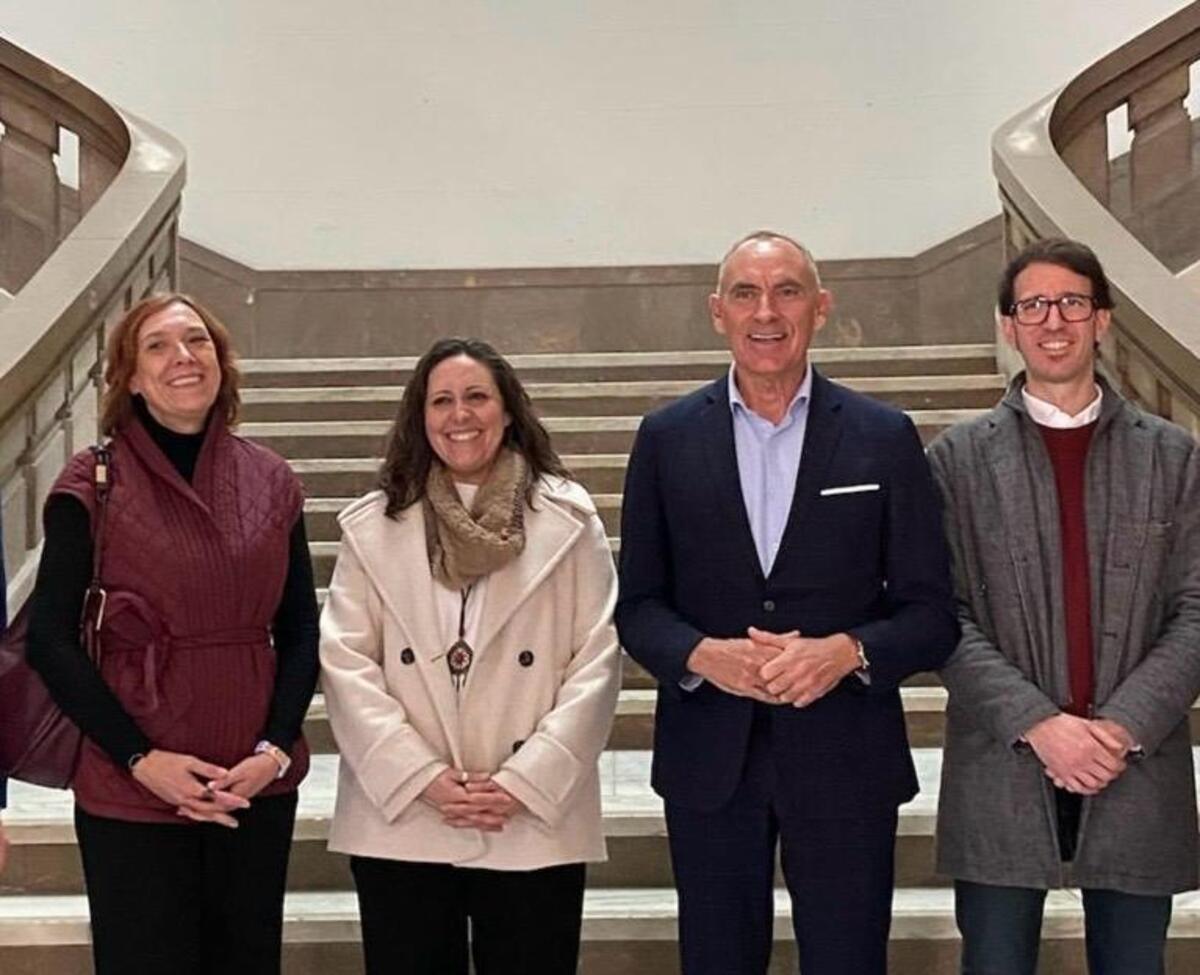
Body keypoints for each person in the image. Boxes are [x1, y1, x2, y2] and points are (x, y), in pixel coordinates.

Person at [615, 230, 958, 975]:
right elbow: (637, 605)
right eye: (745, 292)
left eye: (787, 290)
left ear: (822, 307)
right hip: (711, 759)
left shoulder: (883, 436)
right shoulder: (666, 439)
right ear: (717, 311)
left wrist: (849, 651)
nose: (765, 311)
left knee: (847, 959)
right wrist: (702, 653)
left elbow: (932, 613)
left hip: (845, 756)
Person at [26, 292, 320, 974]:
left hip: (250, 784)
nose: (182, 358)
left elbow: (301, 627)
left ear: (222, 361)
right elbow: (51, 638)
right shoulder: (92, 481)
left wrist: (274, 750)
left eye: (197, 341)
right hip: (132, 787)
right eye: (157, 345)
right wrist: (140, 759)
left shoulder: (272, 479)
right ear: (129, 376)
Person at [928, 237, 1200, 974]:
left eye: (1073, 302)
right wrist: (1040, 725)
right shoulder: (956, 460)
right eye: (1033, 305)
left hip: (1136, 762)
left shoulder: (1173, 457)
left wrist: (1121, 725)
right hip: (1003, 761)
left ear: (1103, 319)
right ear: (1009, 325)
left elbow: (1197, 609)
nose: (1054, 319)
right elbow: (938, 613)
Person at [319, 336, 621, 975]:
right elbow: (346, 662)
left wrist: (522, 782)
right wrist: (421, 777)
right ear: (421, 418)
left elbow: (596, 662)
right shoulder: (373, 527)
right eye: (442, 401)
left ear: (508, 409)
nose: (461, 415)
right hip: (404, 812)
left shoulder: (570, 522)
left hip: (530, 814)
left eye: (477, 396)